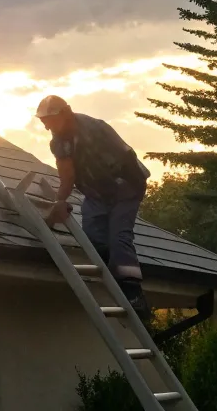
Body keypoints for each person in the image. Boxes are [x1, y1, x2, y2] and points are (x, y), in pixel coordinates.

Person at [35, 95, 152, 323]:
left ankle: (133, 294)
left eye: (49, 120)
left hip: (126, 185)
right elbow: (67, 176)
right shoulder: (58, 143)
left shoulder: (95, 129)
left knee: (119, 236)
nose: (46, 126)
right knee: (93, 237)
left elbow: (125, 159)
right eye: (43, 122)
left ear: (65, 113)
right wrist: (60, 201)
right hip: (97, 191)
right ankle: (111, 278)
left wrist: (116, 192)